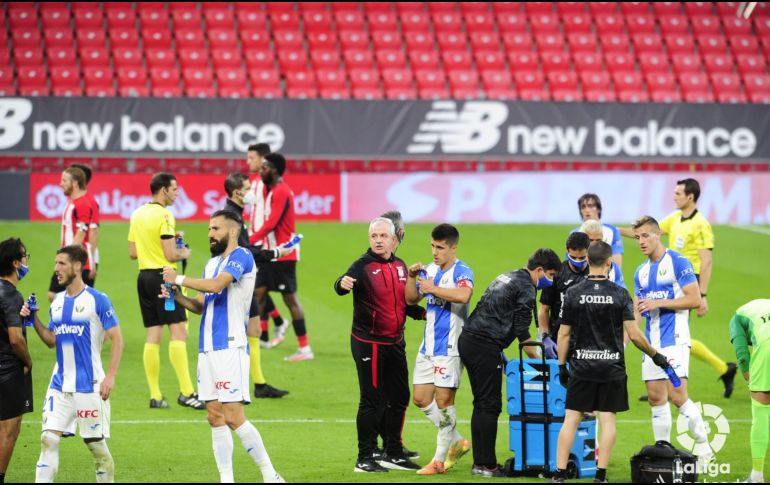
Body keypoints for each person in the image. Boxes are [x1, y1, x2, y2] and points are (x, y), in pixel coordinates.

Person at [162, 210, 285, 484]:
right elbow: (200, 305)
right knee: (214, 416)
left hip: (230, 346)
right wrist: (177, 296)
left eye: (215, 229)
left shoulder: (242, 256)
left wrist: (178, 279)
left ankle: (271, 475)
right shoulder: (210, 264)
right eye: (209, 229)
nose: (210, 234)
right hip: (207, 348)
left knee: (233, 416)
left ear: (232, 231)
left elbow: (217, 286)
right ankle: (226, 479)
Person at [552, 241, 674, 484]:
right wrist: (656, 356)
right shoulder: (620, 294)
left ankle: (559, 474)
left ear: (588, 261)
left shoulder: (574, 293)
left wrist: (562, 366)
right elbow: (635, 335)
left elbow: (563, 334)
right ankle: (600, 476)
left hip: (582, 367)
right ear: (609, 262)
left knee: (571, 419)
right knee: (607, 420)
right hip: (611, 368)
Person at [24, 245, 124, 483]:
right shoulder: (57, 302)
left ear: (77, 266)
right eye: (55, 263)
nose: (56, 269)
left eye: (62, 264)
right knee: (48, 439)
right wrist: (33, 319)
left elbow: (117, 338)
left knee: (96, 447)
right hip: (59, 384)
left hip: (89, 385)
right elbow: (52, 340)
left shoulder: (97, 300)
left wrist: (110, 376)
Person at [458, 248, 561, 477]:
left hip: (470, 340)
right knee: (490, 405)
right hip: (484, 345)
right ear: (539, 270)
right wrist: (542, 363)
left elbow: (490, 309)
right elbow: (522, 332)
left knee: (481, 403)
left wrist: (498, 349)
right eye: (551, 275)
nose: (551, 281)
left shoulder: (508, 276)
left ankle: (480, 463)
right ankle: (487, 465)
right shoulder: (526, 287)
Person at [334, 217, 419, 473]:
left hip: (395, 341)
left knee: (400, 397)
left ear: (394, 239)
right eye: (374, 236)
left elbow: (402, 304)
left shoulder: (400, 266)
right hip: (369, 343)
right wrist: (341, 283)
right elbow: (341, 285)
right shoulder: (362, 266)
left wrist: (423, 313)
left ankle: (393, 452)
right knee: (372, 401)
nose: (378, 241)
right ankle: (364, 457)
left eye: (383, 236)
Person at [632, 215, 713, 466]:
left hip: (675, 340)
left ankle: (704, 449)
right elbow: (638, 308)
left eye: (646, 235)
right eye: (637, 237)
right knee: (656, 398)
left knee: (678, 396)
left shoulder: (678, 262)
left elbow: (694, 299)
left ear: (658, 234)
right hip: (651, 344)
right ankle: (663, 451)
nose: (641, 241)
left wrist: (659, 302)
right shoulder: (640, 272)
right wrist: (630, 333)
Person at [127, 173, 203, 410]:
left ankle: (155, 395)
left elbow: (133, 252)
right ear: (163, 190)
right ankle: (187, 392)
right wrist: (184, 253)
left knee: (153, 335)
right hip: (165, 279)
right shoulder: (165, 215)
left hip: (144, 278)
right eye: (174, 189)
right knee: (179, 331)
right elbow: (170, 255)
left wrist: (160, 246)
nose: (177, 194)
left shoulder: (137, 213)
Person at [658, 178, 737, 398]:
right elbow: (650, 231)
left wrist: (702, 294)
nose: (674, 196)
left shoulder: (701, 224)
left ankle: (667, 388)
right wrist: (612, 231)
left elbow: (706, 261)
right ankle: (724, 369)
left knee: (673, 336)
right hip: (672, 282)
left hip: (688, 284)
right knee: (671, 335)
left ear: (690, 196)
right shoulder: (675, 218)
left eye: (678, 193)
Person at [405, 224, 474, 475]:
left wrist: (433, 289)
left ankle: (438, 461)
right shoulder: (430, 270)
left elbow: (464, 295)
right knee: (421, 399)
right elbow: (410, 299)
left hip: (449, 348)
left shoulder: (462, 271)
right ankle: (457, 441)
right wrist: (412, 277)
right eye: (433, 246)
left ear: (453, 248)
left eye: (441, 247)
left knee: (444, 402)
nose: (435, 252)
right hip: (428, 346)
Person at [222, 172, 289, 399]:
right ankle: (231, 383)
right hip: (236, 282)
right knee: (235, 335)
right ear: (236, 192)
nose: (252, 192)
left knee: (254, 330)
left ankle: (259, 384)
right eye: (248, 188)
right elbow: (243, 252)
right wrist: (274, 253)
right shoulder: (232, 217)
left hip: (242, 281)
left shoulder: (234, 214)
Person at [249, 153, 313, 362]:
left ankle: (304, 348)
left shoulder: (282, 191)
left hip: (284, 254)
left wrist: (250, 239)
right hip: (271, 253)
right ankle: (254, 341)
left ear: (275, 170)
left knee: (290, 299)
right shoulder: (270, 190)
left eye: (265, 167)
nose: (261, 170)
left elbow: (273, 223)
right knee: (257, 293)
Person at [245, 143, 287, 349]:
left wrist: (255, 237)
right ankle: (272, 327)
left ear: (262, 159)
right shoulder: (256, 182)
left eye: (251, 158)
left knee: (257, 288)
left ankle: (268, 330)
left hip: (261, 242)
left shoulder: (265, 184)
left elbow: (269, 215)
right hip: (254, 238)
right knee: (257, 287)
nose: (248, 162)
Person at [0, 238, 33, 484]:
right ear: (15, 263)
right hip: (8, 371)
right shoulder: (12, 295)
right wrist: (28, 361)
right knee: (9, 431)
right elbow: (16, 338)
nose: (26, 260)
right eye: (24, 256)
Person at [730, 299, 770, 483]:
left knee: (760, 411)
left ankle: (757, 476)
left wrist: (751, 380)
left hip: (767, 347)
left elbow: (742, 354)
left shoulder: (737, 318)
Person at [537, 232, 592, 359]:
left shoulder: (596, 273)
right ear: (567, 251)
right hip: (558, 342)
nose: (577, 261)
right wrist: (545, 337)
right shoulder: (556, 273)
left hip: (587, 343)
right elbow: (544, 309)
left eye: (582, 258)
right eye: (573, 257)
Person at [48, 166, 99, 302]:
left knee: (74, 300)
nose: (61, 184)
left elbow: (82, 233)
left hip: (76, 260)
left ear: (75, 183)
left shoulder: (83, 204)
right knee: (56, 296)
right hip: (70, 258)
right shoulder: (72, 202)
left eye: (64, 180)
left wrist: (67, 258)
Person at [69, 164, 100, 288]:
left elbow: (93, 231)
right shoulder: (74, 201)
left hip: (85, 259)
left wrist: (91, 261)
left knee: (81, 295)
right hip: (74, 256)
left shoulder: (90, 202)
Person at [572, 193, 623, 267]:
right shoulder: (574, 234)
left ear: (598, 209)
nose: (587, 210)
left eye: (590, 206)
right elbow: (571, 263)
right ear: (580, 211)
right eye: (583, 207)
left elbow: (617, 264)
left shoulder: (611, 231)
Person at [579, 219, 625, 288]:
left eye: (598, 240)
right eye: (590, 240)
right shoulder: (574, 267)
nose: (594, 244)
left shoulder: (613, 268)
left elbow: (622, 293)